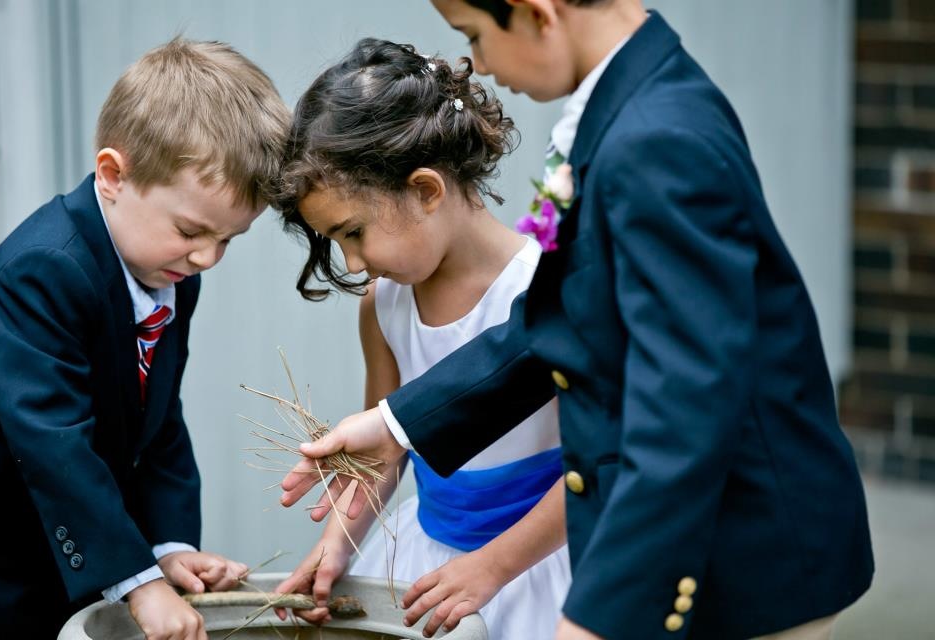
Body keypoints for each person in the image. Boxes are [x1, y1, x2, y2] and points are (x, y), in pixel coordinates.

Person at [278, 2, 875, 640]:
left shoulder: (656, 137)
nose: (474, 62)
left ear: (538, 13)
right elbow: (562, 324)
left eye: (476, 34)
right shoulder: (624, 109)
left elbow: (684, 407)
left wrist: (595, 616)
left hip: (754, 556)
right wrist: (399, 425)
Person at [0, 37, 290, 639]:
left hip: (86, 546)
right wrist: (137, 578)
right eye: (192, 230)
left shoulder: (168, 269)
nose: (208, 257)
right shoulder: (43, 270)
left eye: (229, 239)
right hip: (0, 559)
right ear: (114, 174)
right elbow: (53, 443)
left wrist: (166, 546)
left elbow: (157, 418)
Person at [270, 39, 570, 639]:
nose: (353, 263)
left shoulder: (550, 294)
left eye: (353, 232)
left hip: (535, 565)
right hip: (424, 562)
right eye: (336, 242)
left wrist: (492, 566)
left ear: (427, 190)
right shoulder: (384, 305)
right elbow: (387, 450)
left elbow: (595, 465)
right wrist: (338, 545)